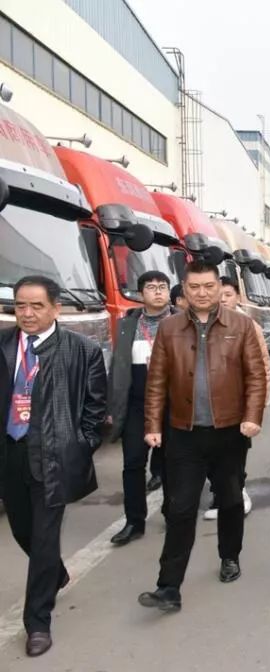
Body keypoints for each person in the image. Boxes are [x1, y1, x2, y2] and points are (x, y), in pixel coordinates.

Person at [137, 261, 266, 613]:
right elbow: (156, 380)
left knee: (230, 500)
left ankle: (229, 555)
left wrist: (252, 417)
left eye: (209, 286)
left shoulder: (240, 325)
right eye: (194, 287)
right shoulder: (169, 328)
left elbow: (256, 376)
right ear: (185, 289)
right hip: (184, 433)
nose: (202, 293)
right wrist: (152, 425)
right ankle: (168, 587)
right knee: (180, 507)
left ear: (219, 287)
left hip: (230, 433)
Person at [1, 276, 106, 657]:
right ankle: (56, 573)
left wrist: (79, 445)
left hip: (54, 458)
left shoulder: (83, 350)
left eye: (37, 306)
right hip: (11, 454)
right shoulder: (4, 344)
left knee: (45, 538)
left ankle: (37, 623)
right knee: (22, 530)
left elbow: (96, 408)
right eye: (20, 306)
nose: (27, 314)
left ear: (56, 308)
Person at [107, 271, 174, 547]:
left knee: (172, 463)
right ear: (140, 294)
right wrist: (112, 406)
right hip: (137, 405)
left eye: (163, 287)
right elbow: (118, 365)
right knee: (133, 463)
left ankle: (173, 514)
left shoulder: (182, 321)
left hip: (172, 405)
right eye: (151, 287)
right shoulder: (128, 324)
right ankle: (134, 521)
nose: (158, 292)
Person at [199, 278, 270, 520]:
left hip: (238, 404)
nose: (222, 299)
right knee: (210, 453)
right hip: (206, 405)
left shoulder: (248, 326)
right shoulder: (202, 323)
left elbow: (262, 367)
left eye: (228, 294)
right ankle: (221, 493)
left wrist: (257, 406)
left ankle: (237, 495)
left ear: (238, 297)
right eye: (218, 294)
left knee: (234, 454)